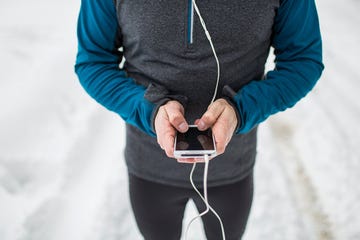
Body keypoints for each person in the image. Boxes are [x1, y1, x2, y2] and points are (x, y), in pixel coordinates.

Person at [75, 0, 324, 239]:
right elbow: (93, 61)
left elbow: (302, 61)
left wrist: (241, 110)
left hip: (232, 168)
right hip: (149, 166)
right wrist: (148, 110)